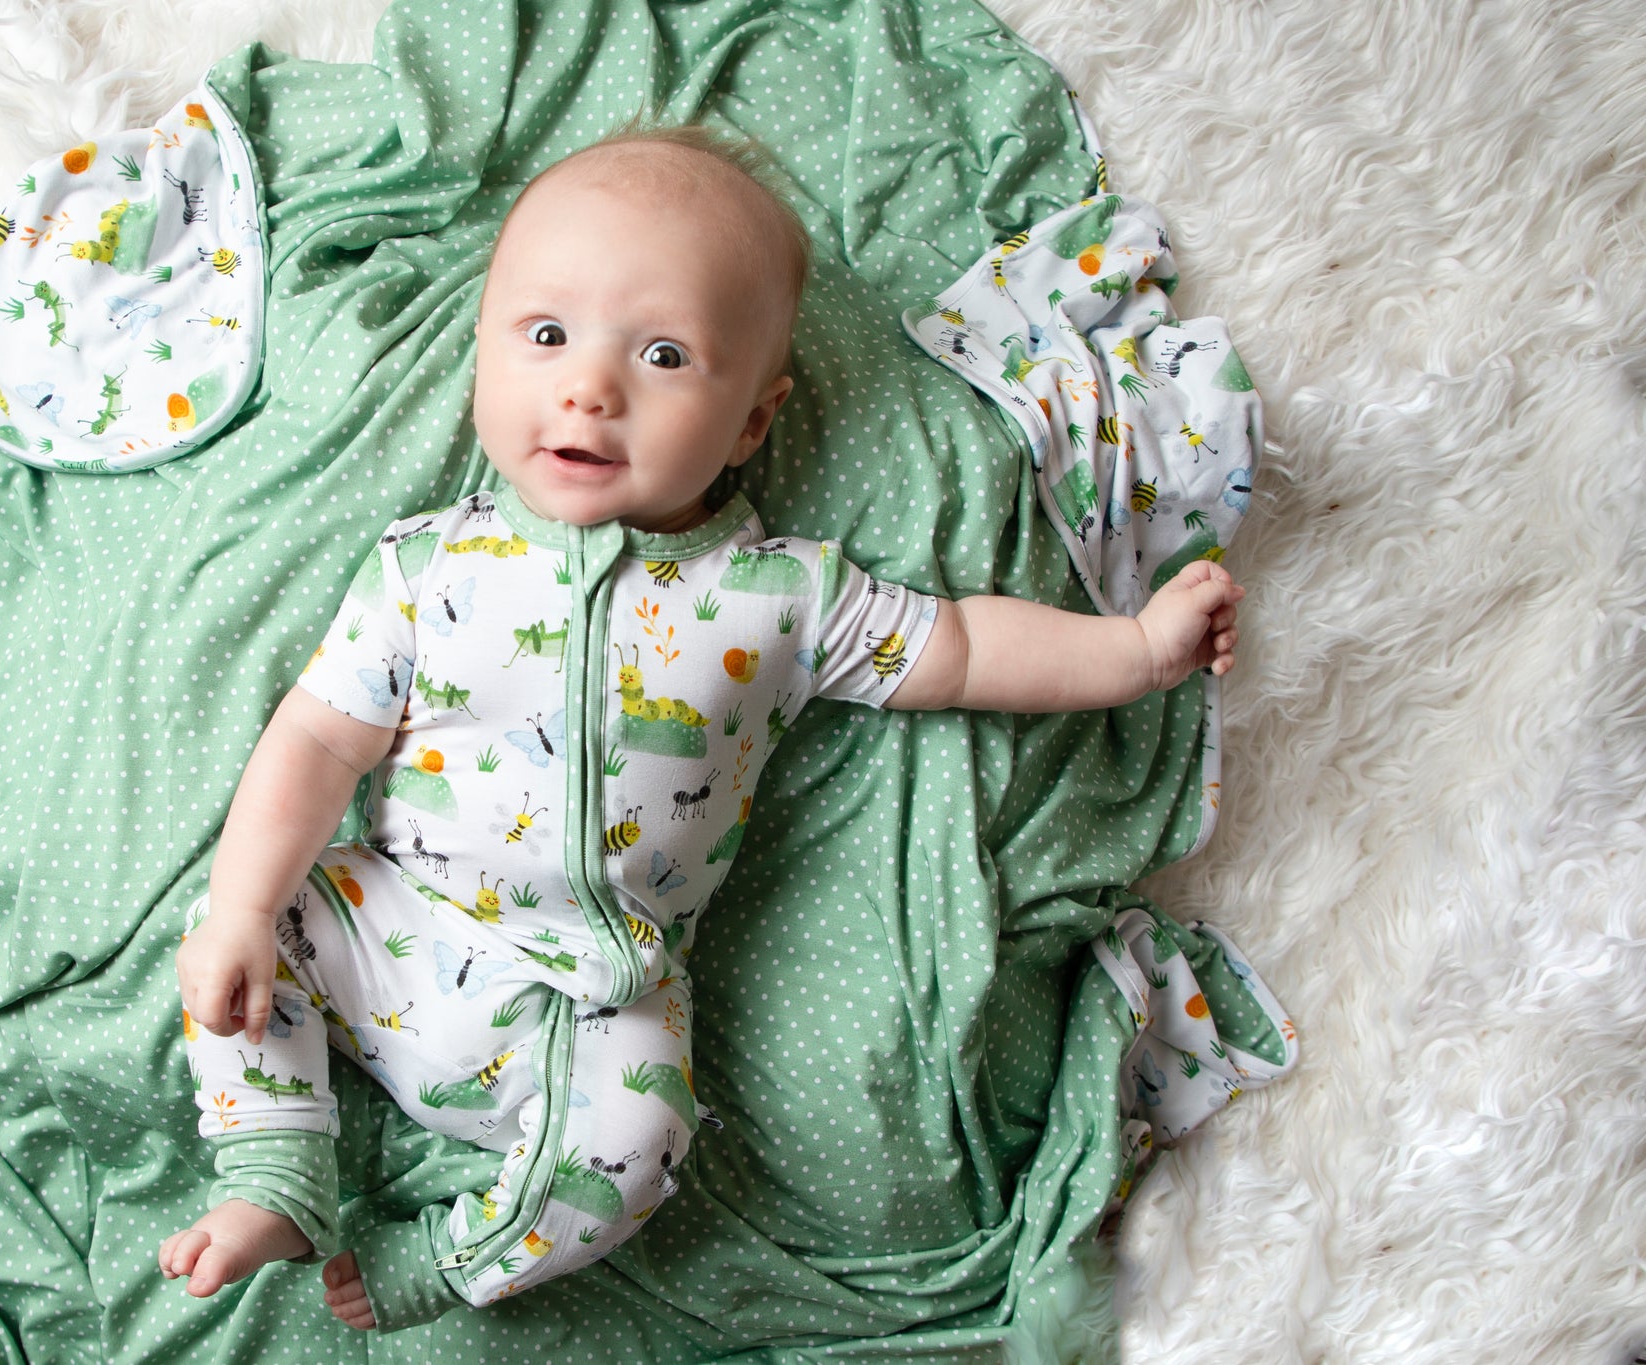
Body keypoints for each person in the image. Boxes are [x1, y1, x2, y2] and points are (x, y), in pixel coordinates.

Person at [157, 123, 1243, 1330]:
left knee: (640, 1143)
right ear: (482, 353)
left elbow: (964, 650)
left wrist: (1136, 652)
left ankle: (453, 1261)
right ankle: (275, 1170)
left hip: (598, 1001)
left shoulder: (782, 595)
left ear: (751, 423)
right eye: (544, 335)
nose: (588, 387)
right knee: (239, 916)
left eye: (663, 354)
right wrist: (247, 910)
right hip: (399, 930)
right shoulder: (425, 566)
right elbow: (318, 741)